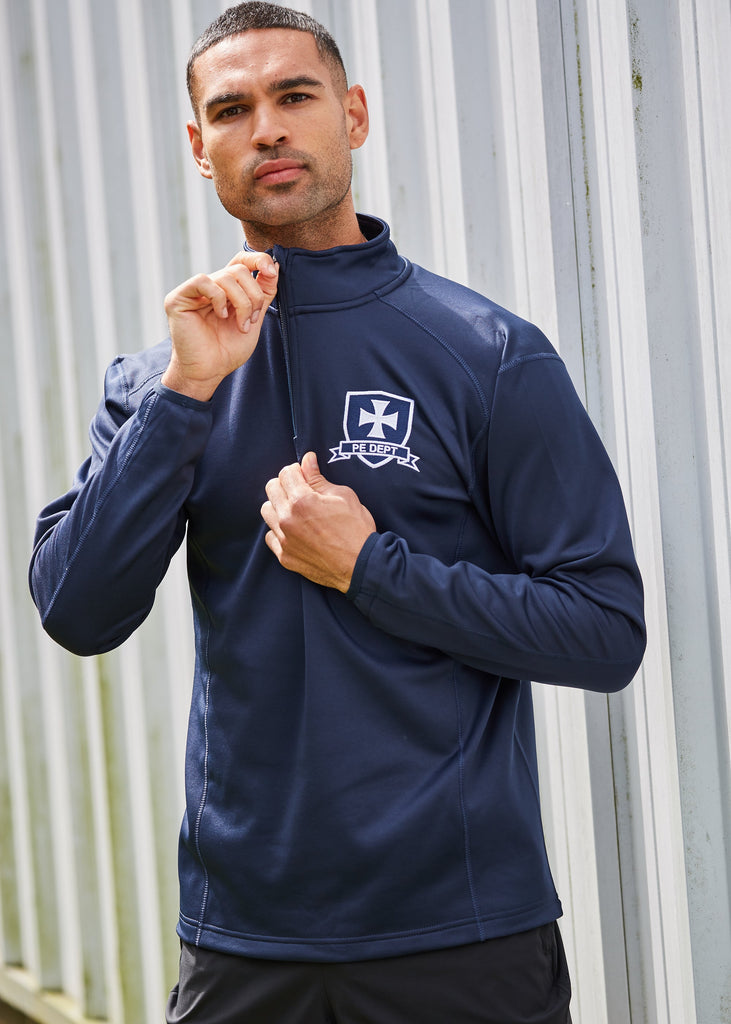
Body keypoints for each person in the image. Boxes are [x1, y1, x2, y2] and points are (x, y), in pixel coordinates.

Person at [29, 3, 646, 1022]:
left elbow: (603, 631)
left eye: (294, 96)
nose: (266, 128)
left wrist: (370, 567)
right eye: (231, 110)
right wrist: (184, 394)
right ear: (199, 148)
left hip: (458, 931)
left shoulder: (486, 352)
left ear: (351, 115)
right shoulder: (162, 379)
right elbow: (76, 612)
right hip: (243, 936)